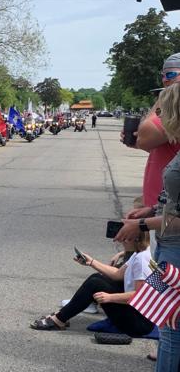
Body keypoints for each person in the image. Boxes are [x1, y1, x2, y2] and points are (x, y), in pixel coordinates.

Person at [117, 82, 180, 369]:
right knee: (165, 321)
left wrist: (142, 224)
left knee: (172, 329)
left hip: (174, 248)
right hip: (166, 246)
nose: (158, 115)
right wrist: (152, 208)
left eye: (163, 109)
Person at [30, 232, 154, 338]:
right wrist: (91, 262)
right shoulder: (139, 253)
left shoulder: (142, 259)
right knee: (97, 278)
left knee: (96, 283)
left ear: (137, 239)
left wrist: (110, 298)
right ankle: (62, 315)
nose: (122, 240)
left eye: (126, 238)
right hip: (137, 313)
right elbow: (117, 274)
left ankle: (59, 320)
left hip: (140, 324)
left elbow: (141, 296)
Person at [125, 53, 180, 209]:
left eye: (170, 75)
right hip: (160, 207)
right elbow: (161, 147)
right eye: (163, 75)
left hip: (170, 213)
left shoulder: (176, 110)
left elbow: (145, 136)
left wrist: (163, 97)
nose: (164, 80)